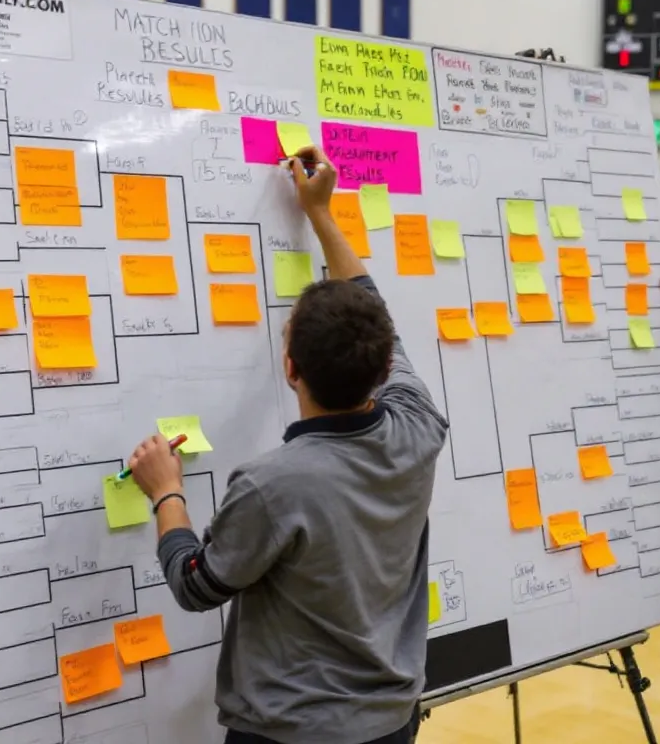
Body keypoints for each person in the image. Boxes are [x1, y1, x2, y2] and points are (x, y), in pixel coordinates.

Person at [127, 145, 448, 744]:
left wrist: (167, 492)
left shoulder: (273, 485)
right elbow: (375, 312)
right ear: (383, 370)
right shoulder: (419, 425)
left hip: (291, 734)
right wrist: (322, 215)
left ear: (290, 367)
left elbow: (197, 584)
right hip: (391, 722)